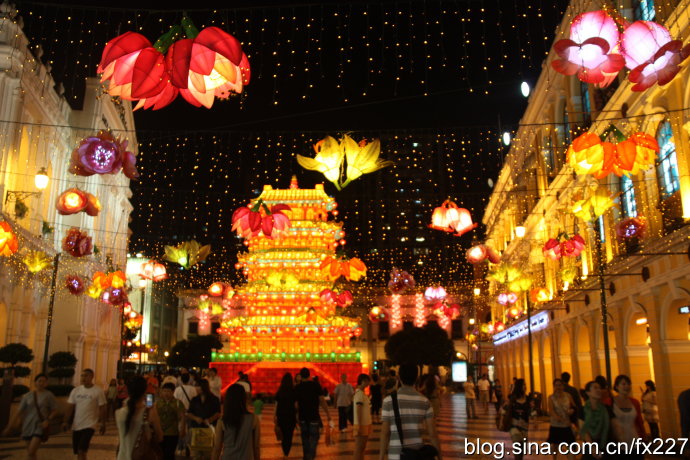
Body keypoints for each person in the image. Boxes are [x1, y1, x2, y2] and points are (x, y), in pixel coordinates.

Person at [379, 363, 441, 460]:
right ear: (417, 378)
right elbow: (432, 433)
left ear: (399, 377)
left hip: (396, 455)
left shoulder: (388, 401)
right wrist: (440, 457)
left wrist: (381, 456)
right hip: (417, 455)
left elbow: (385, 433)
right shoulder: (424, 401)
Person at [2, 373, 58, 460]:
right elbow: (19, 412)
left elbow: (54, 410)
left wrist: (48, 420)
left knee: (31, 451)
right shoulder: (27, 396)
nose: (41, 383)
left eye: (44, 381)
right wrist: (9, 427)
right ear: (35, 382)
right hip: (28, 426)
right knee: (31, 454)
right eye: (40, 381)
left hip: (40, 426)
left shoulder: (49, 395)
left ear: (47, 383)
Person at [115, 376, 163, 460]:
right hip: (141, 456)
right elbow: (159, 437)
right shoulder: (150, 412)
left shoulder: (118, 413)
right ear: (145, 391)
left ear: (128, 391)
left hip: (122, 456)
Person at [63, 368, 107, 460]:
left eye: (86, 375)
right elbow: (70, 407)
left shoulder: (98, 391)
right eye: (82, 375)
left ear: (91, 377)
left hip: (90, 425)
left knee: (81, 449)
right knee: (80, 451)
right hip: (77, 425)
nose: (83, 378)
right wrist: (65, 421)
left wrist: (103, 423)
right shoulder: (75, 391)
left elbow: (102, 407)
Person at [211, 384, 260, 460]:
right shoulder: (254, 419)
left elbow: (217, 448)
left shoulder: (222, 421)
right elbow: (256, 446)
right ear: (244, 399)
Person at [294, 367, 331, 460]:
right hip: (314, 416)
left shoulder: (297, 387)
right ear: (309, 375)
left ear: (301, 376)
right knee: (314, 437)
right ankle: (310, 455)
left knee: (305, 438)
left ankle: (307, 456)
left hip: (302, 417)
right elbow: (322, 400)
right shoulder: (315, 385)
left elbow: (295, 404)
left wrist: (296, 416)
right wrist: (328, 414)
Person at [611, 374, 645, 460]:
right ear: (616, 386)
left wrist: (643, 438)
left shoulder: (634, 402)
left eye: (628, 384)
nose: (627, 386)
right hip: (618, 444)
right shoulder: (610, 402)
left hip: (635, 442)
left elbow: (639, 422)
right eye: (623, 384)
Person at [187, 379, 221, 459]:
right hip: (196, 429)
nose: (196, 388)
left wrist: (210, 420)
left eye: (197, 386)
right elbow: (189, 413)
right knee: (196, 454)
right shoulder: (194, 399)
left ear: (203, 387)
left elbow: (218, 413)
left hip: (209, 429)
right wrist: (196, 418)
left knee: (207, 454)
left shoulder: (214, 399)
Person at [546, 378, 576, 460]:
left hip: (567, 424)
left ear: (563, 386)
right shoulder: (551, 397)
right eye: (556, 385)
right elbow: (551, 410)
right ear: (554, 387)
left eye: (560, 385)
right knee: (555, 445)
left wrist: (572, 410)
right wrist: (558, 418)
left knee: (570, 444)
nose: (558, 387)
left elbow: (574, 406)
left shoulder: (568, 396)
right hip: (556, 425)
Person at [580, 381, 610, 460]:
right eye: (595, 388)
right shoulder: (582, 410)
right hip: (590, 447)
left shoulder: (606, 409)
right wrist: (592, 447)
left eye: (599, 388)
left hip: (606, 445)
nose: (598, 390)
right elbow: (583, 430)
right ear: (588, 392)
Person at [156, 382, 186, 460]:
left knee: (169, 454)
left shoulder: (178, 403)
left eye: (168, 391)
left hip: (172, 432)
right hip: (160, 432)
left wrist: (182, 429)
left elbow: (182, 417)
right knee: (160, 453)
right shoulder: (158, 403)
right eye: (164, 391)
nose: (166, 393)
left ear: (173, 392)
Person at [275, 373, 297, 460]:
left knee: (283, 436)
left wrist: (274, 416)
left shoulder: (279, 391)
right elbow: (296, 405)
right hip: (291, 416)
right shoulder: (293, 391)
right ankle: (287, 453)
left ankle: (284, 452)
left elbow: (276, 405)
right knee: (289, 436)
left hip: (281, 416)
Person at [507, 378, 530, 460]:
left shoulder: (528, 398)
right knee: (518, 447)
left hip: (525, 427)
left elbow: (531, 411)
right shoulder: (513, 398)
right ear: (519, 386)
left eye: (525, 385)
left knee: (522, 450)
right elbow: (507, 410)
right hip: (514, 427)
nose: (525, 386)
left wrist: (534, 419)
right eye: (524, 385)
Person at [353, 373, 372, 460]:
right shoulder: (359, 394)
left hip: (365, 424)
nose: (369, 383)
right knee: (359, 448)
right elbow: (358, 409)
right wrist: (359, 425)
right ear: (363, 381)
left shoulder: (362, 393)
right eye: (368, 381)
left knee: (362, 448)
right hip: (361, 424)